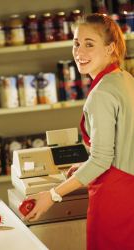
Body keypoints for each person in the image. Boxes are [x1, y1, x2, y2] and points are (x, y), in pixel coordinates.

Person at [25, 13, 134, 250]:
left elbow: (102, 159)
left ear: (110, 48)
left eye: (89, 44)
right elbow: (122, 148)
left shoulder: (102, 94)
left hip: (114, 199)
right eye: (76, 43)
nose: (79, 52)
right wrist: (85, 169)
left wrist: (52, 195)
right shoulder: (125, 79)